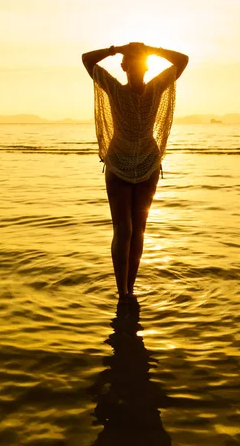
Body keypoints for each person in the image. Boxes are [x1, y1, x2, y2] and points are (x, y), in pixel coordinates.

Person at [82, 42, 189, 304]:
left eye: (139, 61)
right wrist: (136, 49)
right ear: (133, 66)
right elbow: (182, 60)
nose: (138, 66)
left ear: (129, 66)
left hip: (136, 163)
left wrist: (121, 50)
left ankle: (126, 290)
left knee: (130, 230)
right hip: (130, 162)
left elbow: (87, 60)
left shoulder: (137, 88)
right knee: (130, 230)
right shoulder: (145, 87)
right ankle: (126, 291)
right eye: (138, 61)